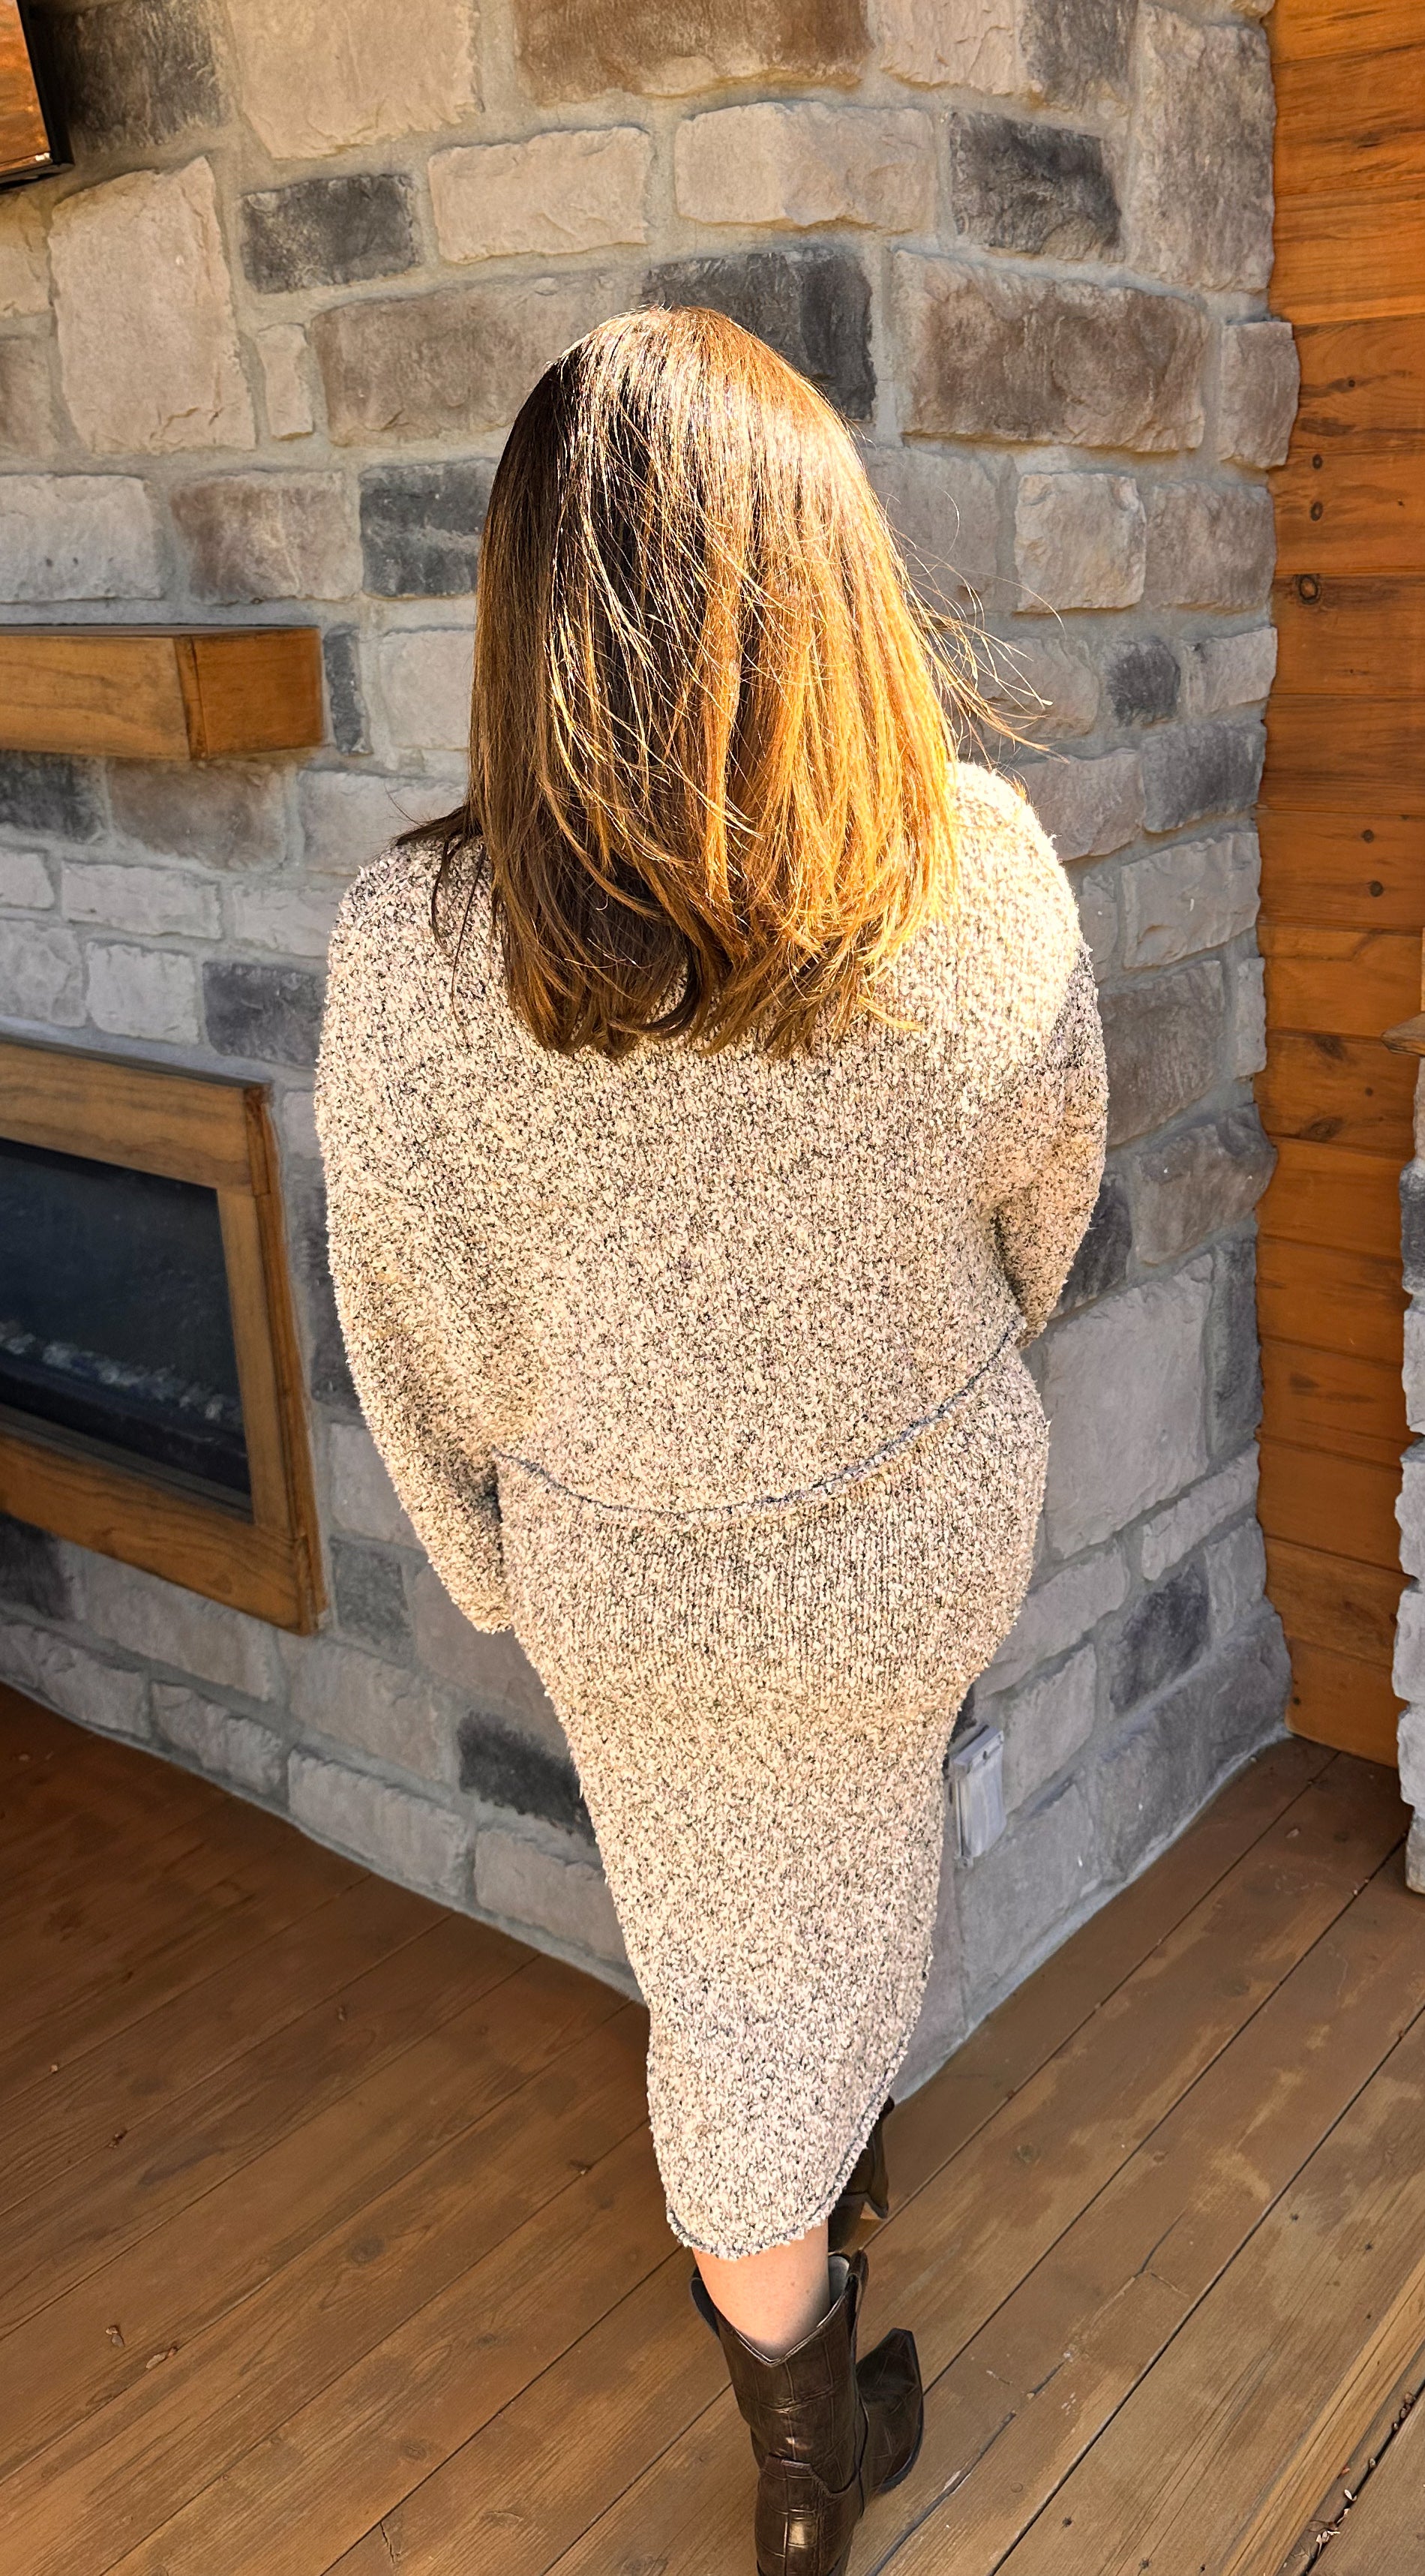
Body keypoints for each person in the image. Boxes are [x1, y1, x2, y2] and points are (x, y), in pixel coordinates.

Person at [315, 305, 1107, 2576]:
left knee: (732, 1990)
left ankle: (801, 2480)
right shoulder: (984, 872)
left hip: (636, 1587)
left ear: (527, 607)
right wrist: (921, 1397)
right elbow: (1042, 1206)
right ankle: (818, 2362)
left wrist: (498, 1550)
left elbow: (410, 1318)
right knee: (814, 1933)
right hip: (913, 1536)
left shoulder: (414, 946)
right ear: (829, 570)